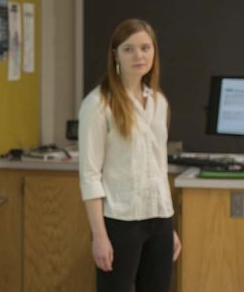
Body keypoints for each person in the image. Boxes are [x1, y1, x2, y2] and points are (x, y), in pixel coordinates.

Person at [78, 19, 182, 292]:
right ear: (115, 54)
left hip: (159, 219)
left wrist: (167, 227)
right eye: (129, 49)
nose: (139, 55)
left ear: (154, 52)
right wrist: (99, 236)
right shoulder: (98, 104)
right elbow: (90, 175)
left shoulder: (159, 101)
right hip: (120, 222)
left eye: (146, 48)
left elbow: (159, 168)